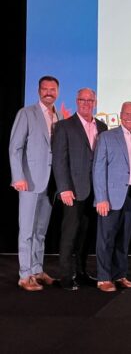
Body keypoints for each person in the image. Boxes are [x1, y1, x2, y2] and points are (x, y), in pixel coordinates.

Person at [9, 75, 62, 291]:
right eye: (45, 89)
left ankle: (37, 270)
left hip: (49, 183)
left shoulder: (57, 116)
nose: (49, 92)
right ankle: (24, 275)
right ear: (38, 91)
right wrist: (18, 176)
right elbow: (15, 148)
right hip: (29, 180)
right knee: (27, 230)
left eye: (52, 89)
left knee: (41, 230)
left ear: (57, 92)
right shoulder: (26, 113)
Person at [52, 88, 108, 290]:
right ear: (76, 101)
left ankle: (81, 272)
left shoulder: (102, 126)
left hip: (95, 192)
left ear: (95, 102)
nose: (86, 103)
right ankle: (66, 277)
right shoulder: (64, 126)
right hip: (74, 190)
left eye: (90, 100)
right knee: (70, 234)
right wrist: (64, 188)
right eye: (82, 100)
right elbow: (59, 160)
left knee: (86, 234)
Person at [92, 101, 131, 292]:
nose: (130, 117)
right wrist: (101, 198)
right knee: (106, 239)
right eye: (126, 113)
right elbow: (98, 168)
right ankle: (104, 278)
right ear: (120, 115)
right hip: (110, 196)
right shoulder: (107, 136)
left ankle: (120, 275)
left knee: (124, 239)